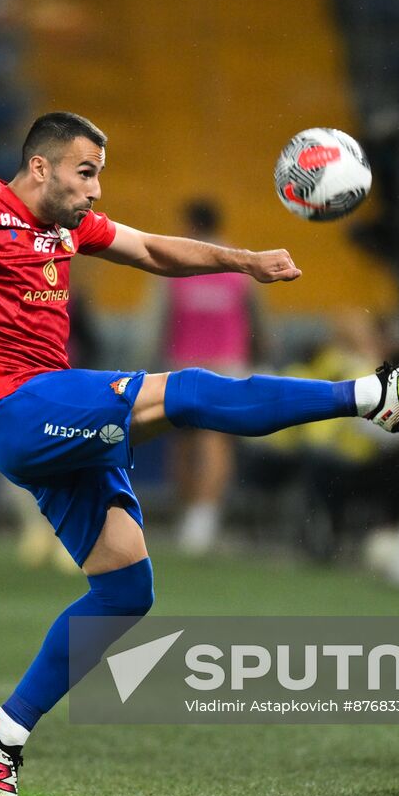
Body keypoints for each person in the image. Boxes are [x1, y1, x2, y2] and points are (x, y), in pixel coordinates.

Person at [0, 111, 399, 796]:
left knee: (125, 591)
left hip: (53, 413)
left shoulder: (65, 226)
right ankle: (372, 396)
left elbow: (152, 249)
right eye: (84, 172)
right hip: (16, 407)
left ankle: (3, 731)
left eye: (100, 174)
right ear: (40, 168)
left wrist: (241, 260)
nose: (95, 190)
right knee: (186, 389)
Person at [153, 198, 262, 554]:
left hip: (197, 363)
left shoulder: (182, 260)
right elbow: (258, 318)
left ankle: (200, 515)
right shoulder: (235, 264)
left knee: (203, 441)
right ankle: (195, 514)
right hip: (215, 362)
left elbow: (159, 317)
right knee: (193, 442)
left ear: (195, 226)